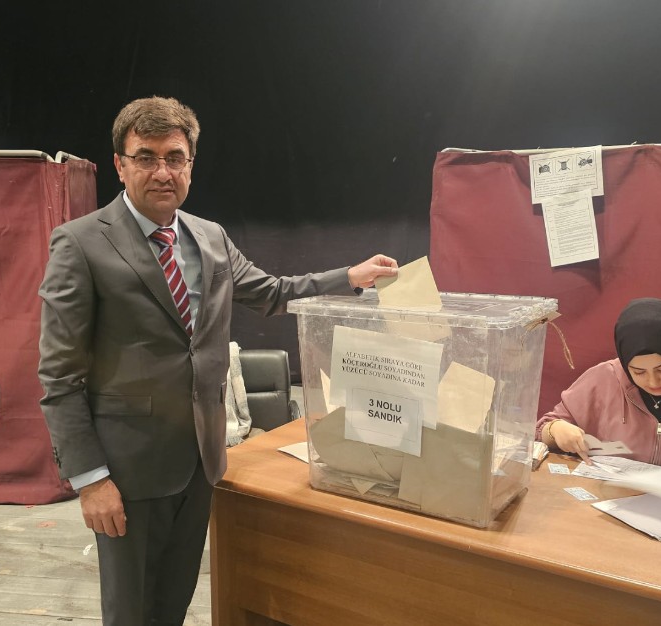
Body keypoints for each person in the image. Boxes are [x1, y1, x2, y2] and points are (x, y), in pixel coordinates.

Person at [37, 95, 398, 626]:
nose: (162, 172)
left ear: (191, 164)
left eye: (175, 157)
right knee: (130, 610)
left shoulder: (209, 237)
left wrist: (348, 277)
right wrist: (90, 480)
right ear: (119, 164)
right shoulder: (80, 243)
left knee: (174, 601)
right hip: (128, 470)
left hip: (202, 461)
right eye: (146, 157)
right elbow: (59, 376)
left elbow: (273, 292)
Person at [537, 298, 661, 466]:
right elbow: (542, 430)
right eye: (638, 372)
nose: (653, 381)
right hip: (613, 488)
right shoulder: (603, 380)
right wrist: (555, 429)